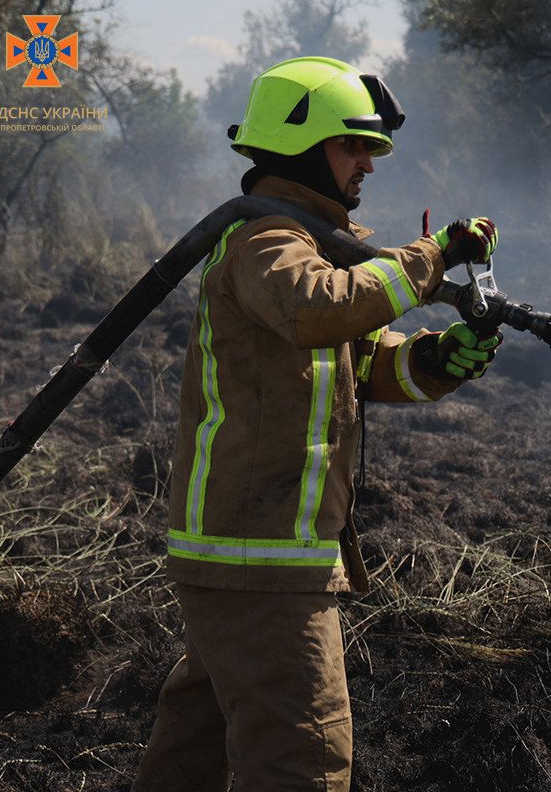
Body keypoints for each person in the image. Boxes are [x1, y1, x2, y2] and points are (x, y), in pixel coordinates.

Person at [133, 56, 503, 792]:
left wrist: (436, 359)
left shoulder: (311, 248)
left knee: (193, 752)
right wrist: (432, 257)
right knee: (302, 760)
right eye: (352, 145)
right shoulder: (265, 241)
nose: (368, 163)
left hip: (251, 556)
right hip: (259, 558)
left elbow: (359, 363)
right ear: (300, 143)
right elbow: (318, 308)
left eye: (371, 148)